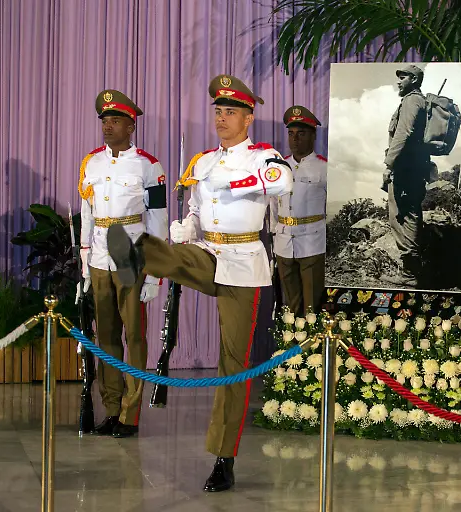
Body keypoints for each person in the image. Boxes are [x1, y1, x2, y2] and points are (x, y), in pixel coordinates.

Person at [105, 75, 293, 492]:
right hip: (207, 253)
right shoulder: (203, 162)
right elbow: (195, 208)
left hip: (244, 262)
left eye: (230, 112)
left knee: (234, 363)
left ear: (248, 117)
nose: (222, 119)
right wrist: (186, 226)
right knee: (178, 255)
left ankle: (224, 458)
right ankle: (138, 253)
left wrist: (238, 183)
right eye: (218, 112)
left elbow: (283, 182)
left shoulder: (264, 155)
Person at [77, 89, 168, 438]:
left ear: (131, 125)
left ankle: (130, 414)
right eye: (104, 120)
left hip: (131, 257)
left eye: (115, 120)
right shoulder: (91, 162)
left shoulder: (148, 165)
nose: (108, 126)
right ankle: (111, 408)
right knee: (106, 337)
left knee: (135, 335)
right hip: (100, 257)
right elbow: (86, 212)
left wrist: (154, 275)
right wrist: (85, 262)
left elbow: (158, 219)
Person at [269, 105, 327, 315]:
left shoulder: (324, 168)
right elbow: (273, 203)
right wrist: (274, 231)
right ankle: (289, 347)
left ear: (313, 136)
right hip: (284, 243)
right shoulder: (279, 167)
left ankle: (311, 347)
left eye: (301, 134)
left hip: (313, 242)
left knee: (313, 307)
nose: (295, 139)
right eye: (291, 134)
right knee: (289, 307)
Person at [381, 64, 431, 287]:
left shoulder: (412, 100)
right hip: (411, 167)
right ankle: (411, 271)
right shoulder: (413, 100)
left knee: (403, 217)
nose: (398, 81)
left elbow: (403, 133)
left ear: (414, 79)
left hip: (406, 169)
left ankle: (410, 274)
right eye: (398, 77)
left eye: (403, 77)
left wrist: (389, 164)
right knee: (404, 215)